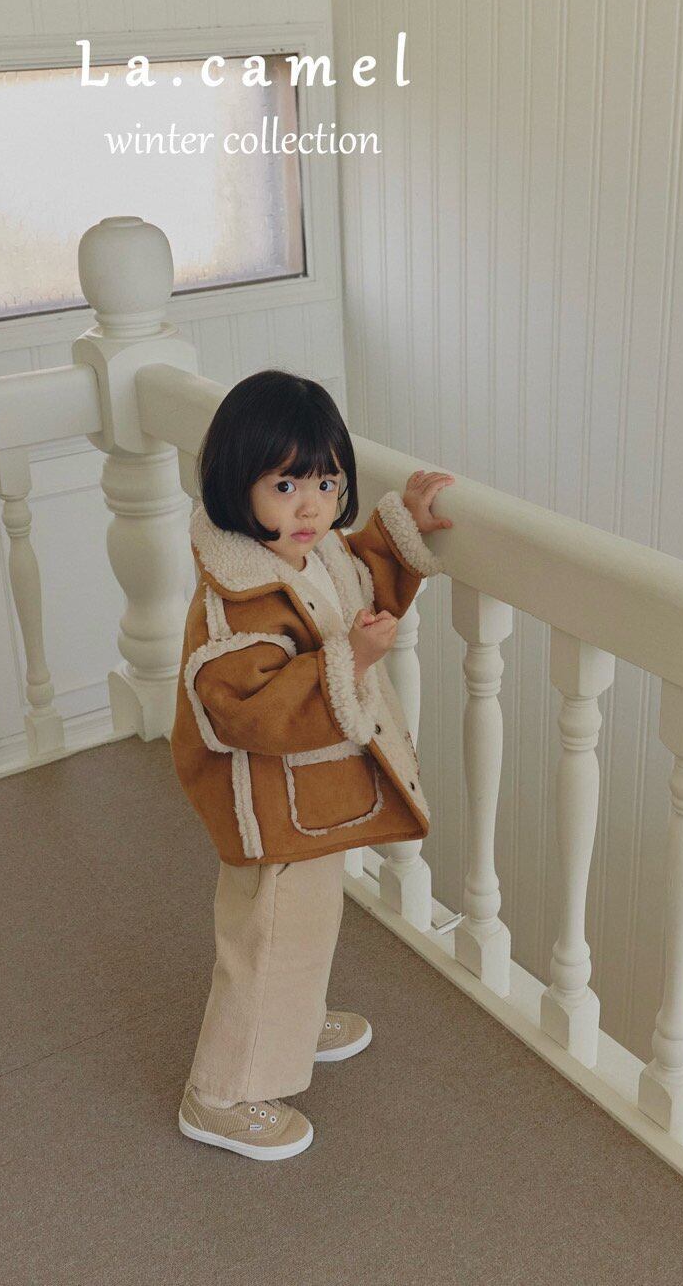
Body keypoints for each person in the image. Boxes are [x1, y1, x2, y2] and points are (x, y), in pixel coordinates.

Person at [169, 368, 454, 1160]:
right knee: (265, 935)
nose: (310, 507)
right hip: (264, 802)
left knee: (306, 924)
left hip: (307, 799)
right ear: (237, 483)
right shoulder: (237, 594)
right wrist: (347, 659)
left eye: (326, 483)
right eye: (286, 484)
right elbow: (240, 705)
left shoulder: (315, 554)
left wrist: (405, 527)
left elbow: (361, 578)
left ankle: (287, 1020)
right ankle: (221, 1093)